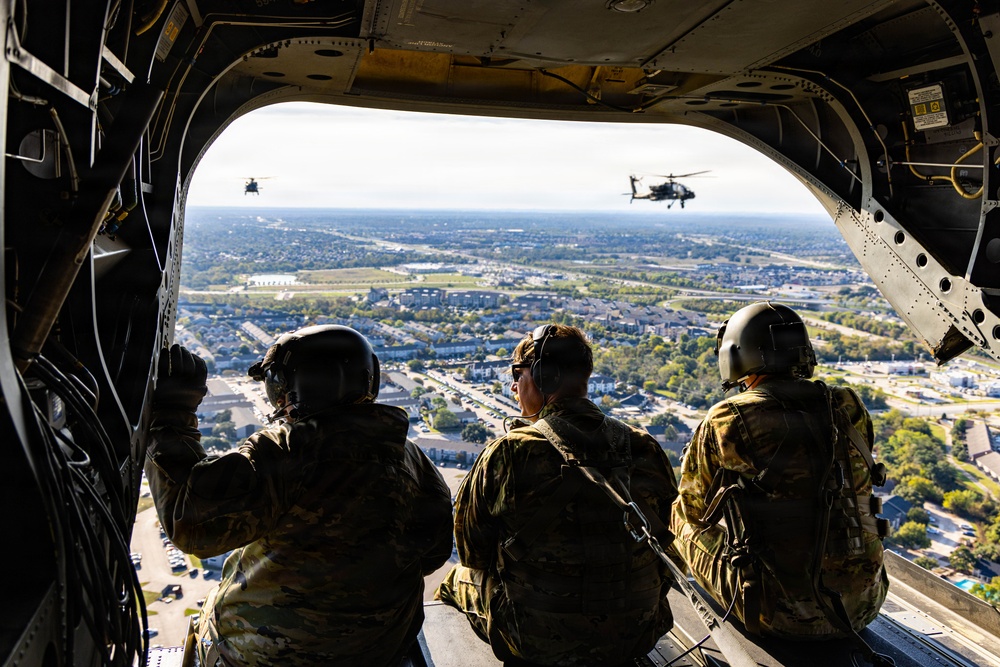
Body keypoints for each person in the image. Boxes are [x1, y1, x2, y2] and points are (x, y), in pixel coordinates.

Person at [145, 325, 453, 667]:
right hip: (377, 652)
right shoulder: (412, 459)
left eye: (279, 385)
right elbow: (434, 555)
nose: (278, 400)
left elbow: (190, 524)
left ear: (300, 388)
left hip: (268, 657)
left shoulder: (283, 452)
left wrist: (173, 417)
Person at [436, 324, 678, 666]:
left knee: (454, 580)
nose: (514, 387)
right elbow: (667, 547)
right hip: (637, 633)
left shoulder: (509, 452)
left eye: (517, 375)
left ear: (540, 377)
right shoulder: (644, 446)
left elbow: (474, 554)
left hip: (535, 642)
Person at [671, 301, 889, 640]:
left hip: (779, 614)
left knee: (680, 519)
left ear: (736, 355)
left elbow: (692, 510)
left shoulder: (727, 418)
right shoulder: (847, 405)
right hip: (864, 606)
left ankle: (667, 589)